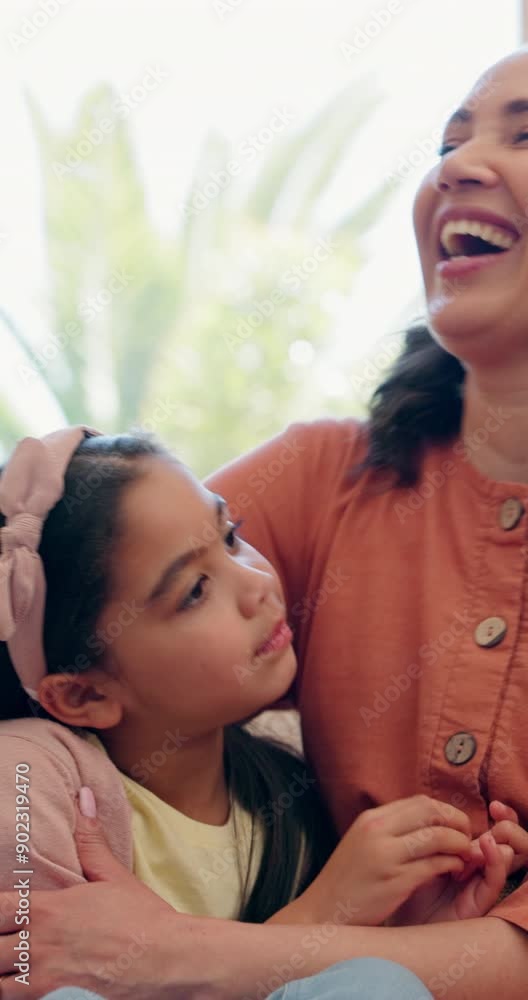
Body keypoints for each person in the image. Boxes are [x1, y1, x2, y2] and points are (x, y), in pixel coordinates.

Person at [2, 43, 528, 1000]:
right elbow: (95, 579)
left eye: (525, 136)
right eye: (449, 141)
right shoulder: (330, 474)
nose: (457, 164)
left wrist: (171, 955)